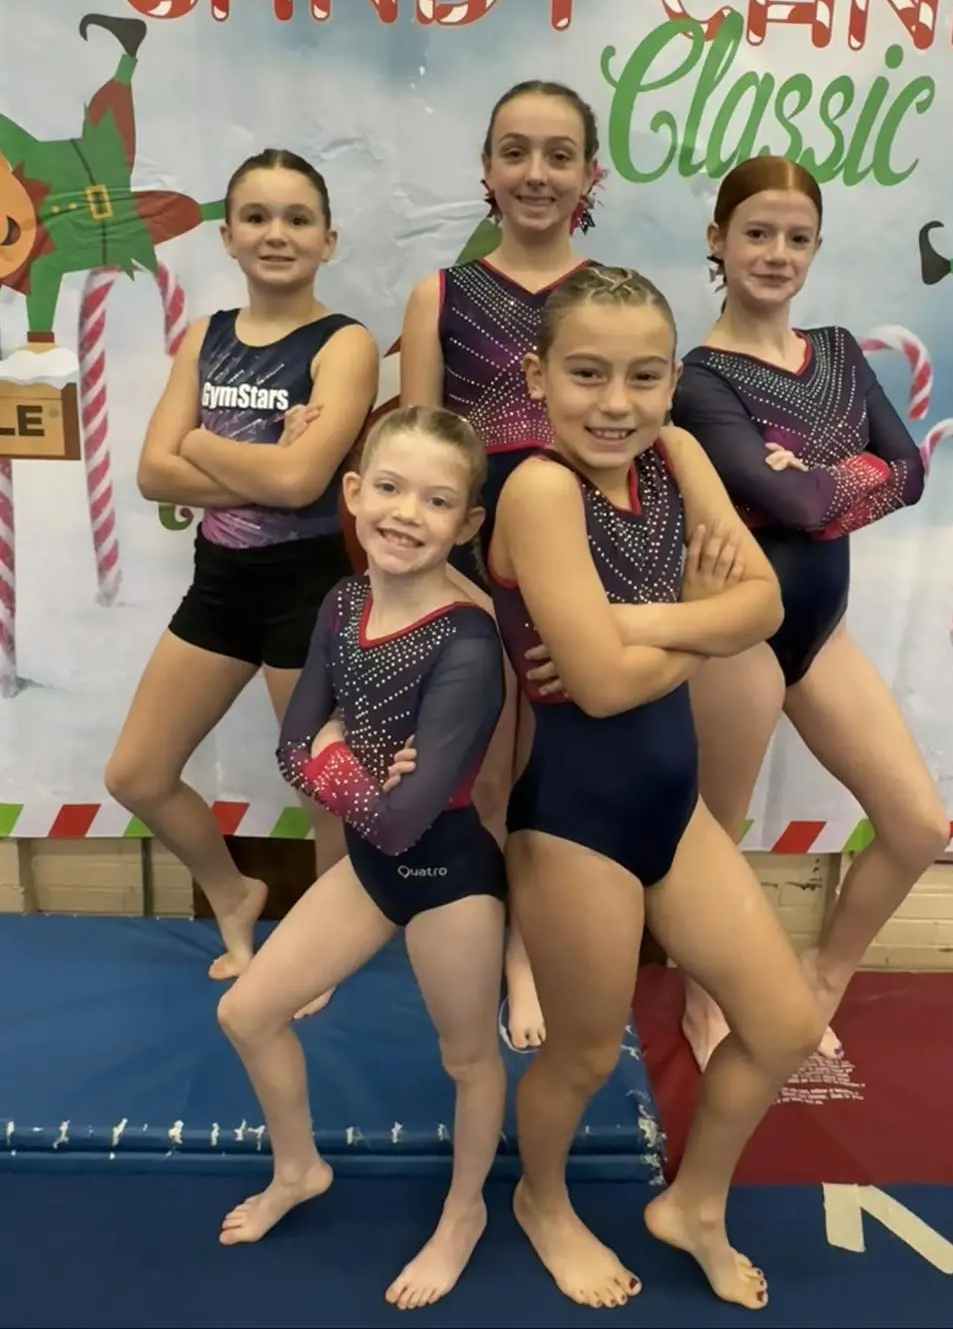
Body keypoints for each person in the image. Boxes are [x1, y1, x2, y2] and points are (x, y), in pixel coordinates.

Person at [487, 264, 822, 1312]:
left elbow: (764, 606)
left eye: (642, 376)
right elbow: (592, 686)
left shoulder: (676, 455)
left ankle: (696, 1204)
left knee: (781, 1027)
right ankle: (540, 1200)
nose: (616, 402)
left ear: (672, 381)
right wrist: (697, 621)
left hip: (673, 815)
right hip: (574, 825)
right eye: (586, 373)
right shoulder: (539, 488)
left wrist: (636, 620)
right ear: (538, 378)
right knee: (585, 1055)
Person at [216, 405, 508, 1313]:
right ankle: (298, 1168)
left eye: (436, 500)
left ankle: (465, 1211)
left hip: (447, 879)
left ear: (467, 523)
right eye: (389, 488)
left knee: (468, 1060)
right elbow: (290, 747)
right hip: (372, 872)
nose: (406, 513)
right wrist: (348, 766)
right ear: (353, 493)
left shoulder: (468, 639)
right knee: (246, 1013)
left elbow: (406, 820)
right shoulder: (344, 604)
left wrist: (337, 754)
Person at [672, 154, 950, 1069]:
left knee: (917, 825)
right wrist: (841, 478)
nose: (776, 254)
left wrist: (824, 482)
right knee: (716, 837)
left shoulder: (836, 351)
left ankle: (822, 977)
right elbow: (789, 504)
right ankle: (704, 996)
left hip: (820, 631)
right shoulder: (700, 378)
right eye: (757, 234)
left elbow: (911, 472)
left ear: (817, 249)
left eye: (797, 238)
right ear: (718, 241)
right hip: (737, 636)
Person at [105, 148, 379, 1016]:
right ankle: (234, 893)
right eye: (256, 217)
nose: (276, 233)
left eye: (298, 218)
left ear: (328, 239)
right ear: (226, 237)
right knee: (137, 773)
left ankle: (322, 947)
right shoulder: (207, 336)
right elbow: (151, 472)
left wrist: (201, 444)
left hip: (308, 589)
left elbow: (303, 484)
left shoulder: (344, 344)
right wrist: (264, 463)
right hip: (220, 585)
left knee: (322, 787)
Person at [399, 80, 604, 1050]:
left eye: (558, 155)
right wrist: (440, 591)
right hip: (473, 574)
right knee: (483, 778)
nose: (535, 173)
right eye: (514, 151)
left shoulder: (608, 299)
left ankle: (534, 944)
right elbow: (417, 461)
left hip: (580, 571)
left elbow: (641, 444)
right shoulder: (441, 295)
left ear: (589, 175)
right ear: (485, 168)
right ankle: (494, 950)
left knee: (553, 780)